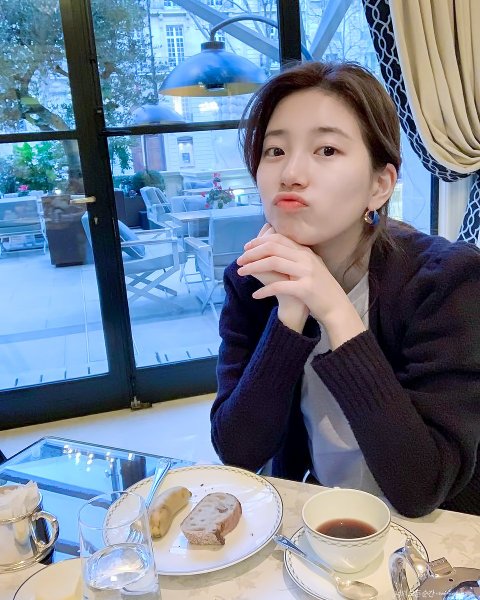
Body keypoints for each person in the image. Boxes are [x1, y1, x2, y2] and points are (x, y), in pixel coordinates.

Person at [210, 61, 480, 518]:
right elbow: (239, 451)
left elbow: (421, 487)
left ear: (380, 185)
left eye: (327, 150)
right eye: (275, 150)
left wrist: (335, 310)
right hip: (323, 516)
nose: (291, 172)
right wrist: (290, 313)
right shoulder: (251, 280)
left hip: (437, 533)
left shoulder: (447, 281)